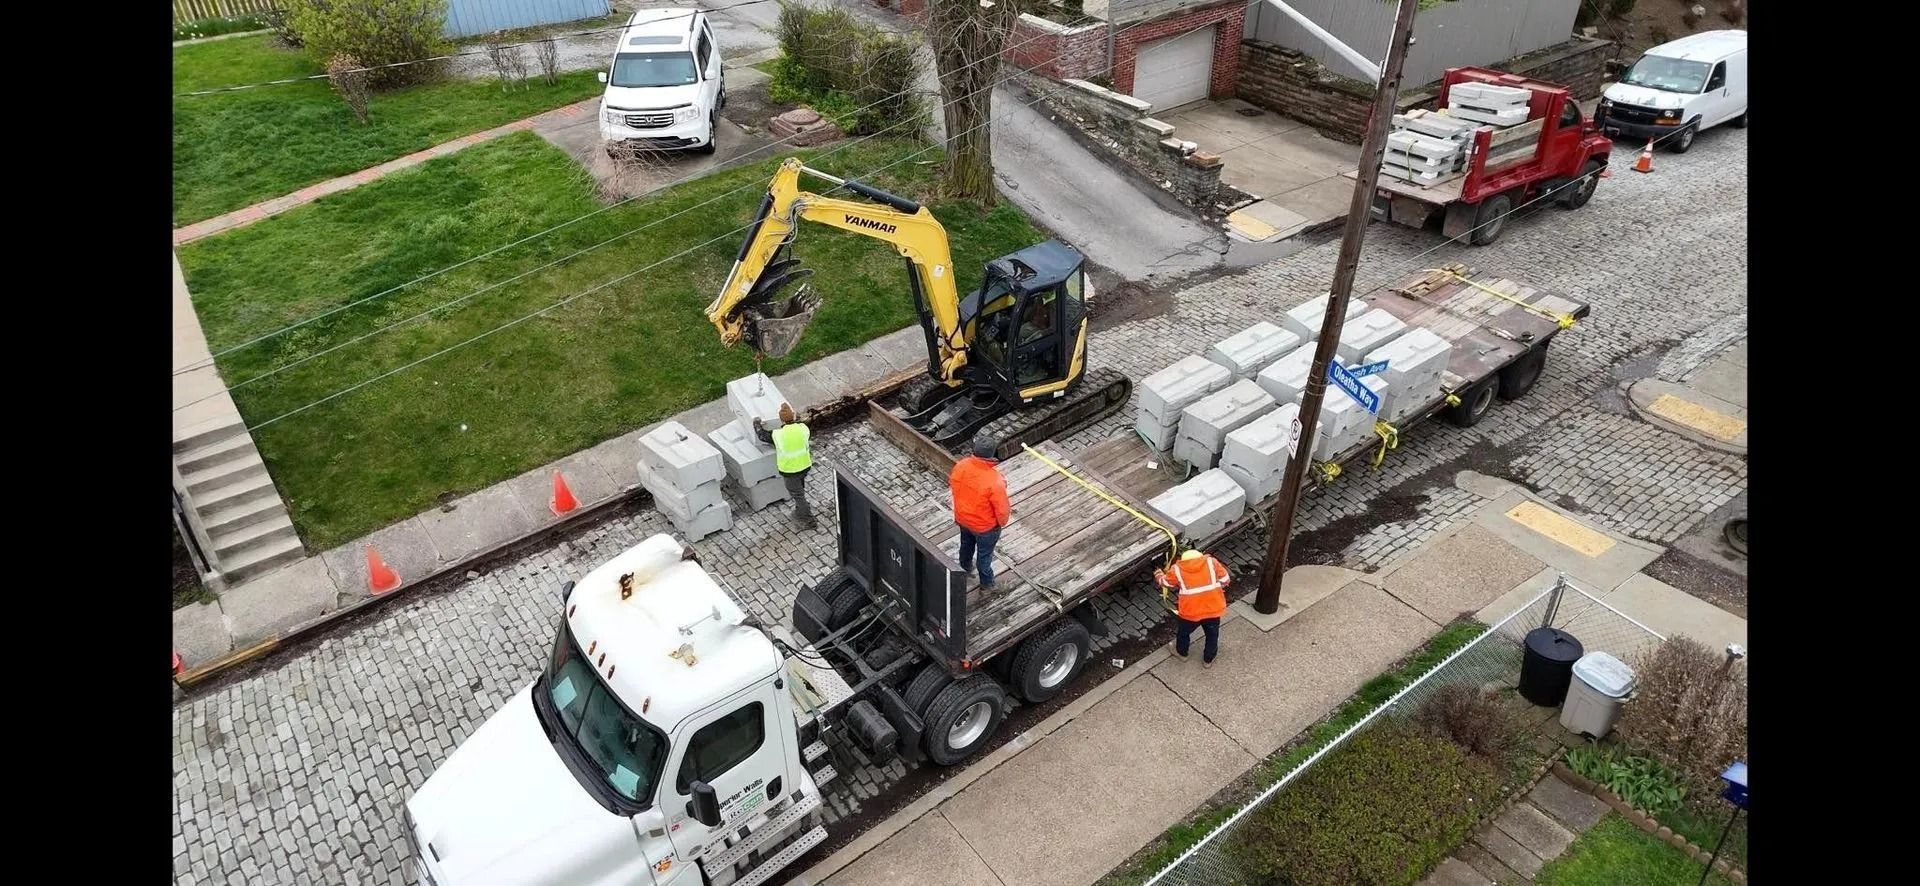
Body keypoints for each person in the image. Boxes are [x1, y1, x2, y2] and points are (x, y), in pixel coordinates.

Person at [948, 435, 1011, 591]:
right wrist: (1000, 524)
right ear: (992, 454)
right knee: (984, 555)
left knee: (966, 545)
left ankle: (965, 569)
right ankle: (987, 584)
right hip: (985, 527)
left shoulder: (961, 466)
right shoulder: (994, 480)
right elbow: (1002, 510)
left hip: (963, 519)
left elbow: (954, 486)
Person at [1155, 549, 1230, 668]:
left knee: (1183, 633)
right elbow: (1225, 580)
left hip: (1190, 612)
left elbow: (1166, 583)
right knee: (1212, 634)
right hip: (1213, 609)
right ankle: (1208, 660)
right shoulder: (1212, 562)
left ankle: (1182, 653)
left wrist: (1158, 575)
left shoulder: (1177, 569)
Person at [752, 403, 816, 529]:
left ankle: (808, 520)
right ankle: (800, 511)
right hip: (804, 466)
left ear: (781, 420)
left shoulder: (778, 435)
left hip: (790, 470)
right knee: (800, 490)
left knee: (798, 496)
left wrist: (757, 424)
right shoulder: (803, 428)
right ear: (794, 417)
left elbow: (762, 436)